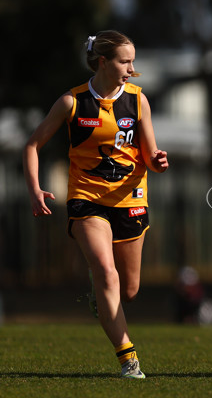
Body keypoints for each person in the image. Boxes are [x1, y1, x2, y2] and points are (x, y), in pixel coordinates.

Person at [23, 30, 169, 379]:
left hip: (130, 200)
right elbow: (32, 145)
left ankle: (99, 296)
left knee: (128, 291)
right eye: (125, 61)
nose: (132, 68)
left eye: (133, 60)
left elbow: (149, 154)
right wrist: (35, 190)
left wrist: (158, 160)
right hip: (86, 200)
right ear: (103, 62)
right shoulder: (72, 102)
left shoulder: (138, 101)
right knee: (106, 272)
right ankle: (128, 359)